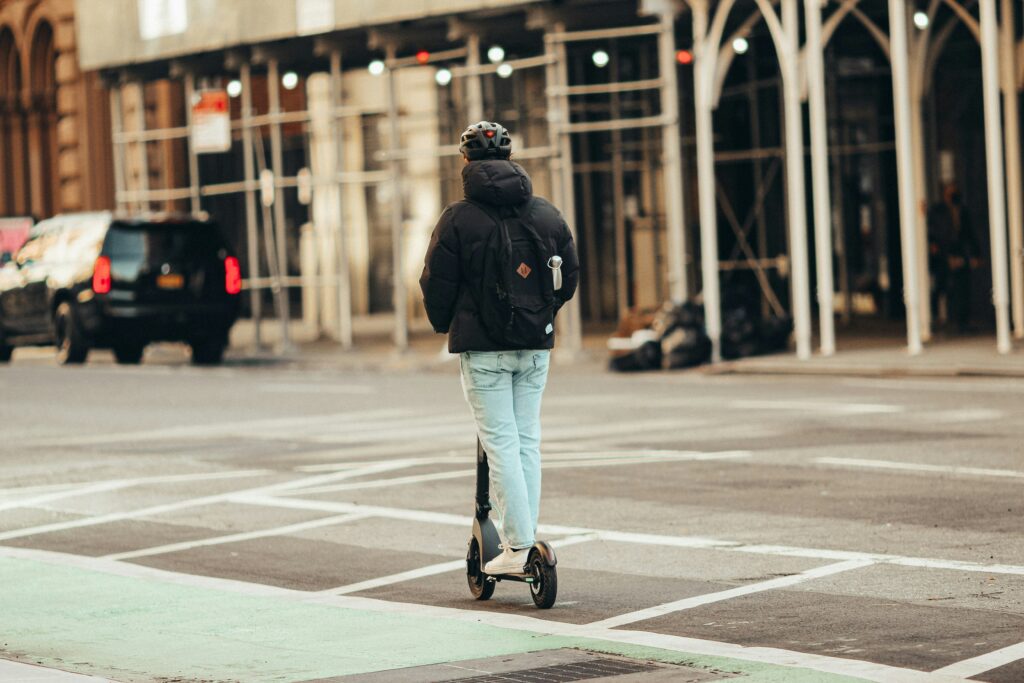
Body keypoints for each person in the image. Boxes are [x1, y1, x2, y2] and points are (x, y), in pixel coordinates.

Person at [419, 121, 579, 575]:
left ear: (465, 162)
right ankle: (524, 541)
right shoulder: (545, 213)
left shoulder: (458, 218)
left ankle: (519, 546)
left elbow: (435, 283)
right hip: (535, 345)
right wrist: (541, 313)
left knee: (502, 444)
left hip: (484, 350)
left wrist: (447, 324)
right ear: (512, 160)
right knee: (527, 440)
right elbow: (568, 276)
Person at [928, 184, 981, 332]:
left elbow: (970, 234)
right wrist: (933, 245)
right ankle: (936, 318)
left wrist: (976, 254)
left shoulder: (962, 211)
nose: (953, 196)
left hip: (960, 252)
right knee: (941, 287)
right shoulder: (937, 211)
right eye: (950, 193)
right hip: (943, 254)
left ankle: (962, 322)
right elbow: (932, 230)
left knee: (963, 288)